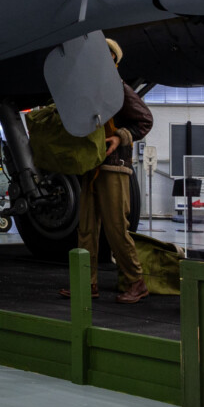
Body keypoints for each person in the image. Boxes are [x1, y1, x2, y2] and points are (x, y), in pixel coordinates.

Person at [66, 38, 154, 303]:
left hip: (115, 168)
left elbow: (145, 119)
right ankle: (86, 283)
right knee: (86, 229)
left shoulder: (118, 89)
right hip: (92, 166)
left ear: (112, 61)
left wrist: (120, 137)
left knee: (116, 228)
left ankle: (135, 282)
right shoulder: (91, 92)